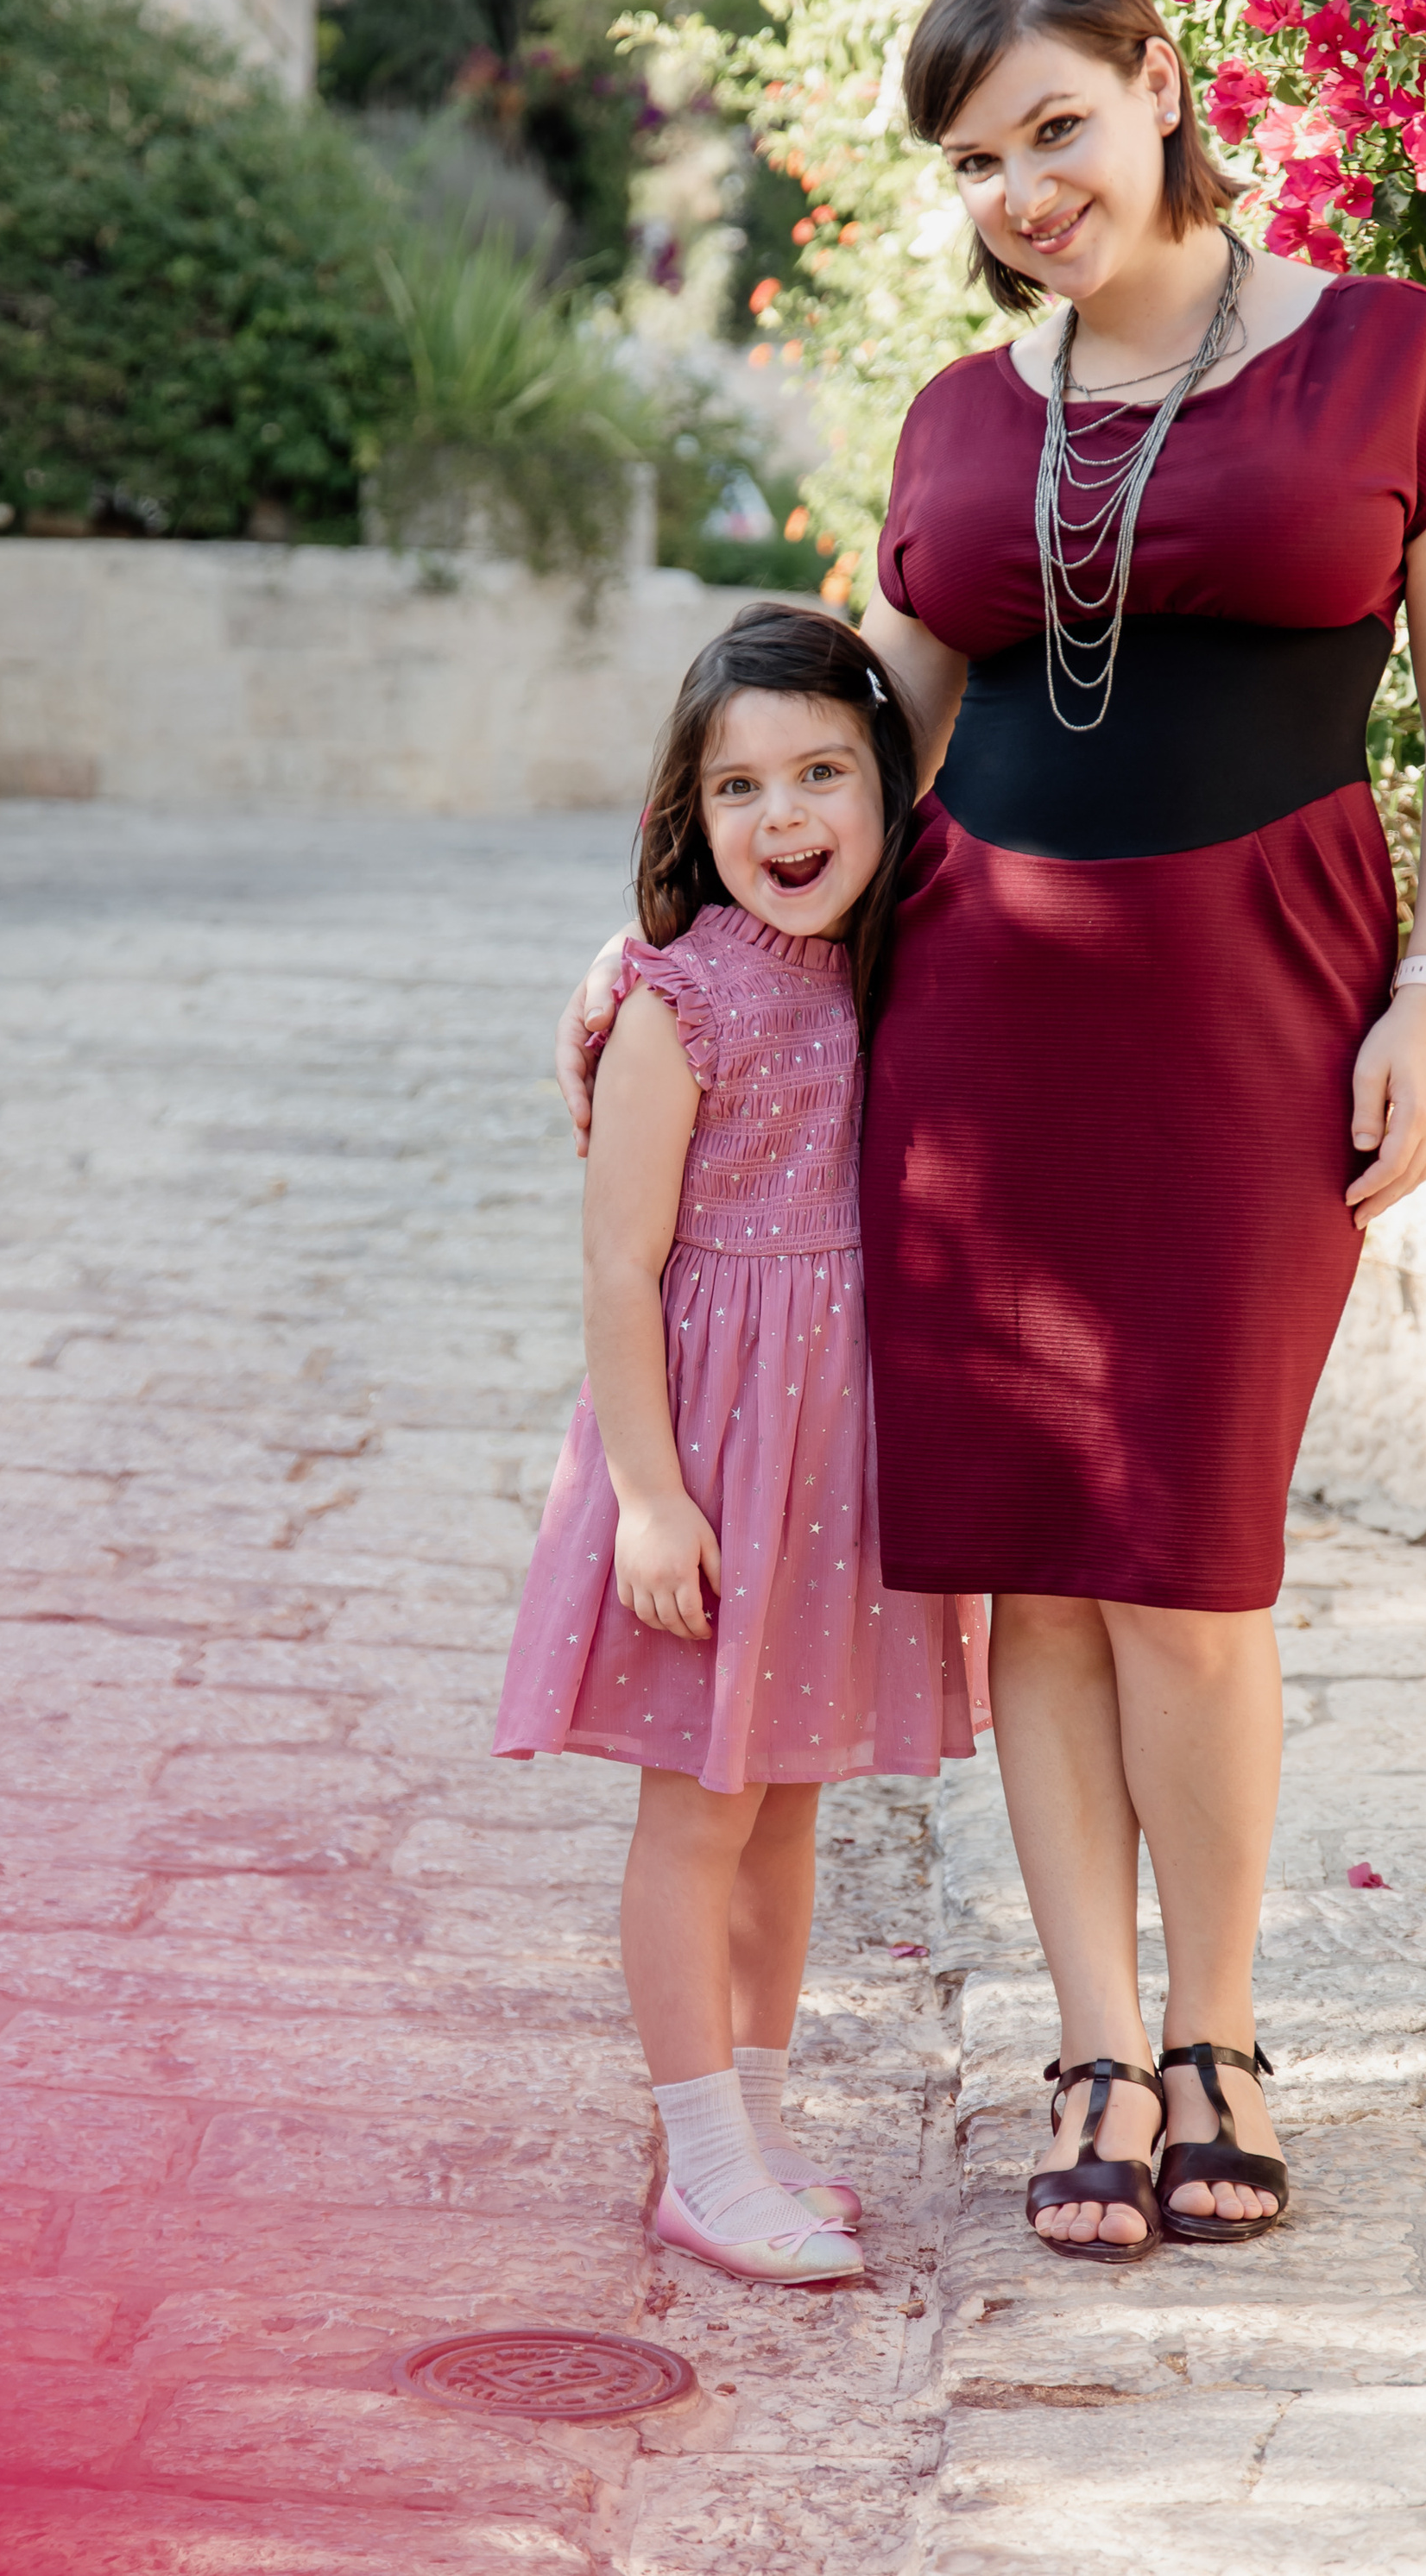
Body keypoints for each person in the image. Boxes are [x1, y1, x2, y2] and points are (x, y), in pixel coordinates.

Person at [559, 0, 1426, 2263]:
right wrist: (666, 918)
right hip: (982, 1030)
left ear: (1159, 82)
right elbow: (858, 720)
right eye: (978, 164)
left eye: (1055, 133)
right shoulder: (964, 418)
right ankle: (1095, 2046)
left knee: (1190, 1564)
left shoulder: (1393, 354)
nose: (1021, 194)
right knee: (1044, 1587)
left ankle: (1221, 2032)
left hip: (1259, 1010)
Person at [501, 602, 989, 2288]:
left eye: (819, 775)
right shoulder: (673, 1001)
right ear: (684, 818)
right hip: (708, 1460)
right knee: (697, 1812)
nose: (782, 821)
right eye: (739, 789)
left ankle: (756, 2125)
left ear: (887, 783)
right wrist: (645, 1494)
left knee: (787, 1810)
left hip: (829, 1463)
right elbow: (617, 1263)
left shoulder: (892, 967)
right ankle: (698, 2159)